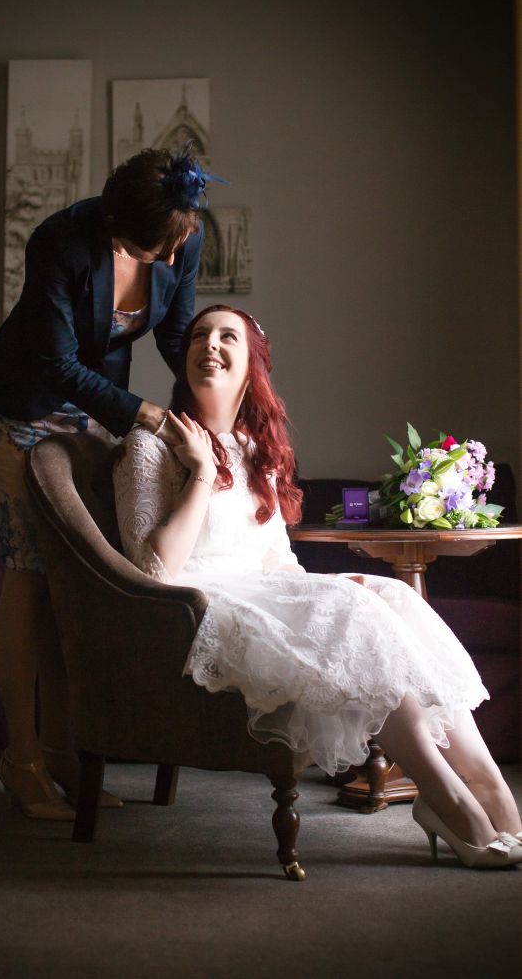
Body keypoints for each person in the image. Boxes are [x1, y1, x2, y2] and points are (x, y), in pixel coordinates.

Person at [113, 304, 522, 868]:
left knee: (391, 595)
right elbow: (153, 570)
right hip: (198, 606)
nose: (210, 345)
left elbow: (277, 561)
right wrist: (202, 472)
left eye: (228, 337)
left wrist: (330, 584)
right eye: (200, 335)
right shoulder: (150, 445)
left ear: (252, 366)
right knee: (354, 611)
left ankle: (489, 785)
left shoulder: (255, 451)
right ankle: (444, 796)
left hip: (259, 590)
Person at [0, 145, 223, 820]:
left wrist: (210, 412)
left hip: (96, 410)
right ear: (116, 228)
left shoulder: (182, 235)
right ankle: (20, 760)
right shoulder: (59, 240)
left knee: (75, 582)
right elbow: (56, 362)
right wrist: (146, 415)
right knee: (30, 572)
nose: (170, 260)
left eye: (177, 247)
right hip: (22, 407)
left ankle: (65, 755)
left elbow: (175, 335)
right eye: (154, 251)